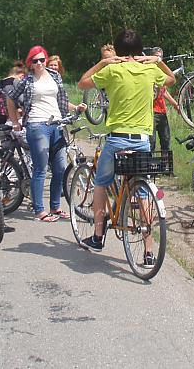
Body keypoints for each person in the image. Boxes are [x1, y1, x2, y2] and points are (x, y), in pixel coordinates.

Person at [78, 29, 175, 265]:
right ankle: (149, 251)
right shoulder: (150, 70)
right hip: (142, 139)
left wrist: (103, 61)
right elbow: (172, 79)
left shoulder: (111, 70)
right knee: (143, 192)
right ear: (140, 50)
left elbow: (82, 84)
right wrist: (157, 60)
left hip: (117, 139)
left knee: (101, 184)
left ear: (118, 51)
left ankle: (98, 236)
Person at [7, 46, 86, 223]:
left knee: (60, 169)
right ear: (30, 63)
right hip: (37, 124)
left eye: (42, 59)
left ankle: (55, 207)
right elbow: (10, 99)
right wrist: (15, 122)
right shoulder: (27, 81)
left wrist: (76, 108)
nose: (40, 63)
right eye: (35, 61)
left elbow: (62, 101)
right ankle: (39, 210)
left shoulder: (55, 76)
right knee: (41, 168)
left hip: (57, 124)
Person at [148, 47, 179, 153]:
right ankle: (148, 165)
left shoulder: (161, 71)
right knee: (151, 142)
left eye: (160, 57)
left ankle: (165, 165)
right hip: (150, 111)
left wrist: (174, 104)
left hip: (162, 111)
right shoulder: (148, 71)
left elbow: (164, 91)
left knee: (166, 140)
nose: (158, 59)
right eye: (156, 56)